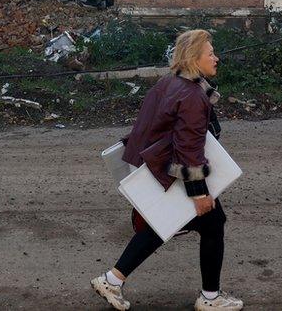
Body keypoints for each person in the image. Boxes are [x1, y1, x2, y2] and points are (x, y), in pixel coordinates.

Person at [91, 29, 243, 311]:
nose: (217, 58)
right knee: (206, 222)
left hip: (158, 169)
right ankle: (210, 298)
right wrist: (198, 193)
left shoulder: (170, 83)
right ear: (194, 58)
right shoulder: (193, 98)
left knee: (166, 225)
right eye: (210, 53)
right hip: (174, 173)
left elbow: (147, 127)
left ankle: (113, 279)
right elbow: (188, 148)